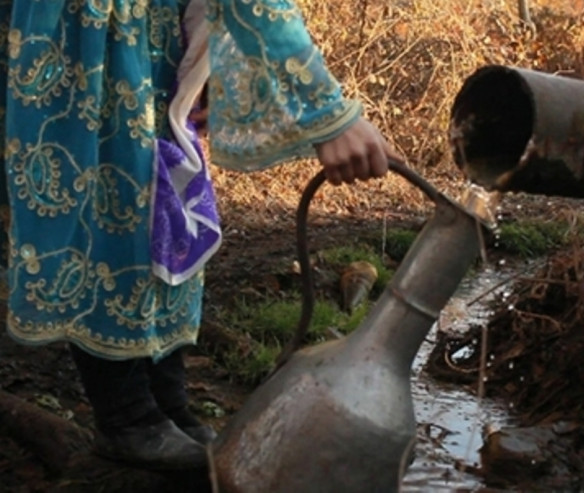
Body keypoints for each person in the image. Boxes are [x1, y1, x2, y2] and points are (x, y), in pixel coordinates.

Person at [0, 0, 401, 470]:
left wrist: (204, 51)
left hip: (149, 34)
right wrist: (329, 115)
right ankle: (126, 416)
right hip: (84, 37)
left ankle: (166, 402)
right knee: (111, 209)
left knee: (166, 206)